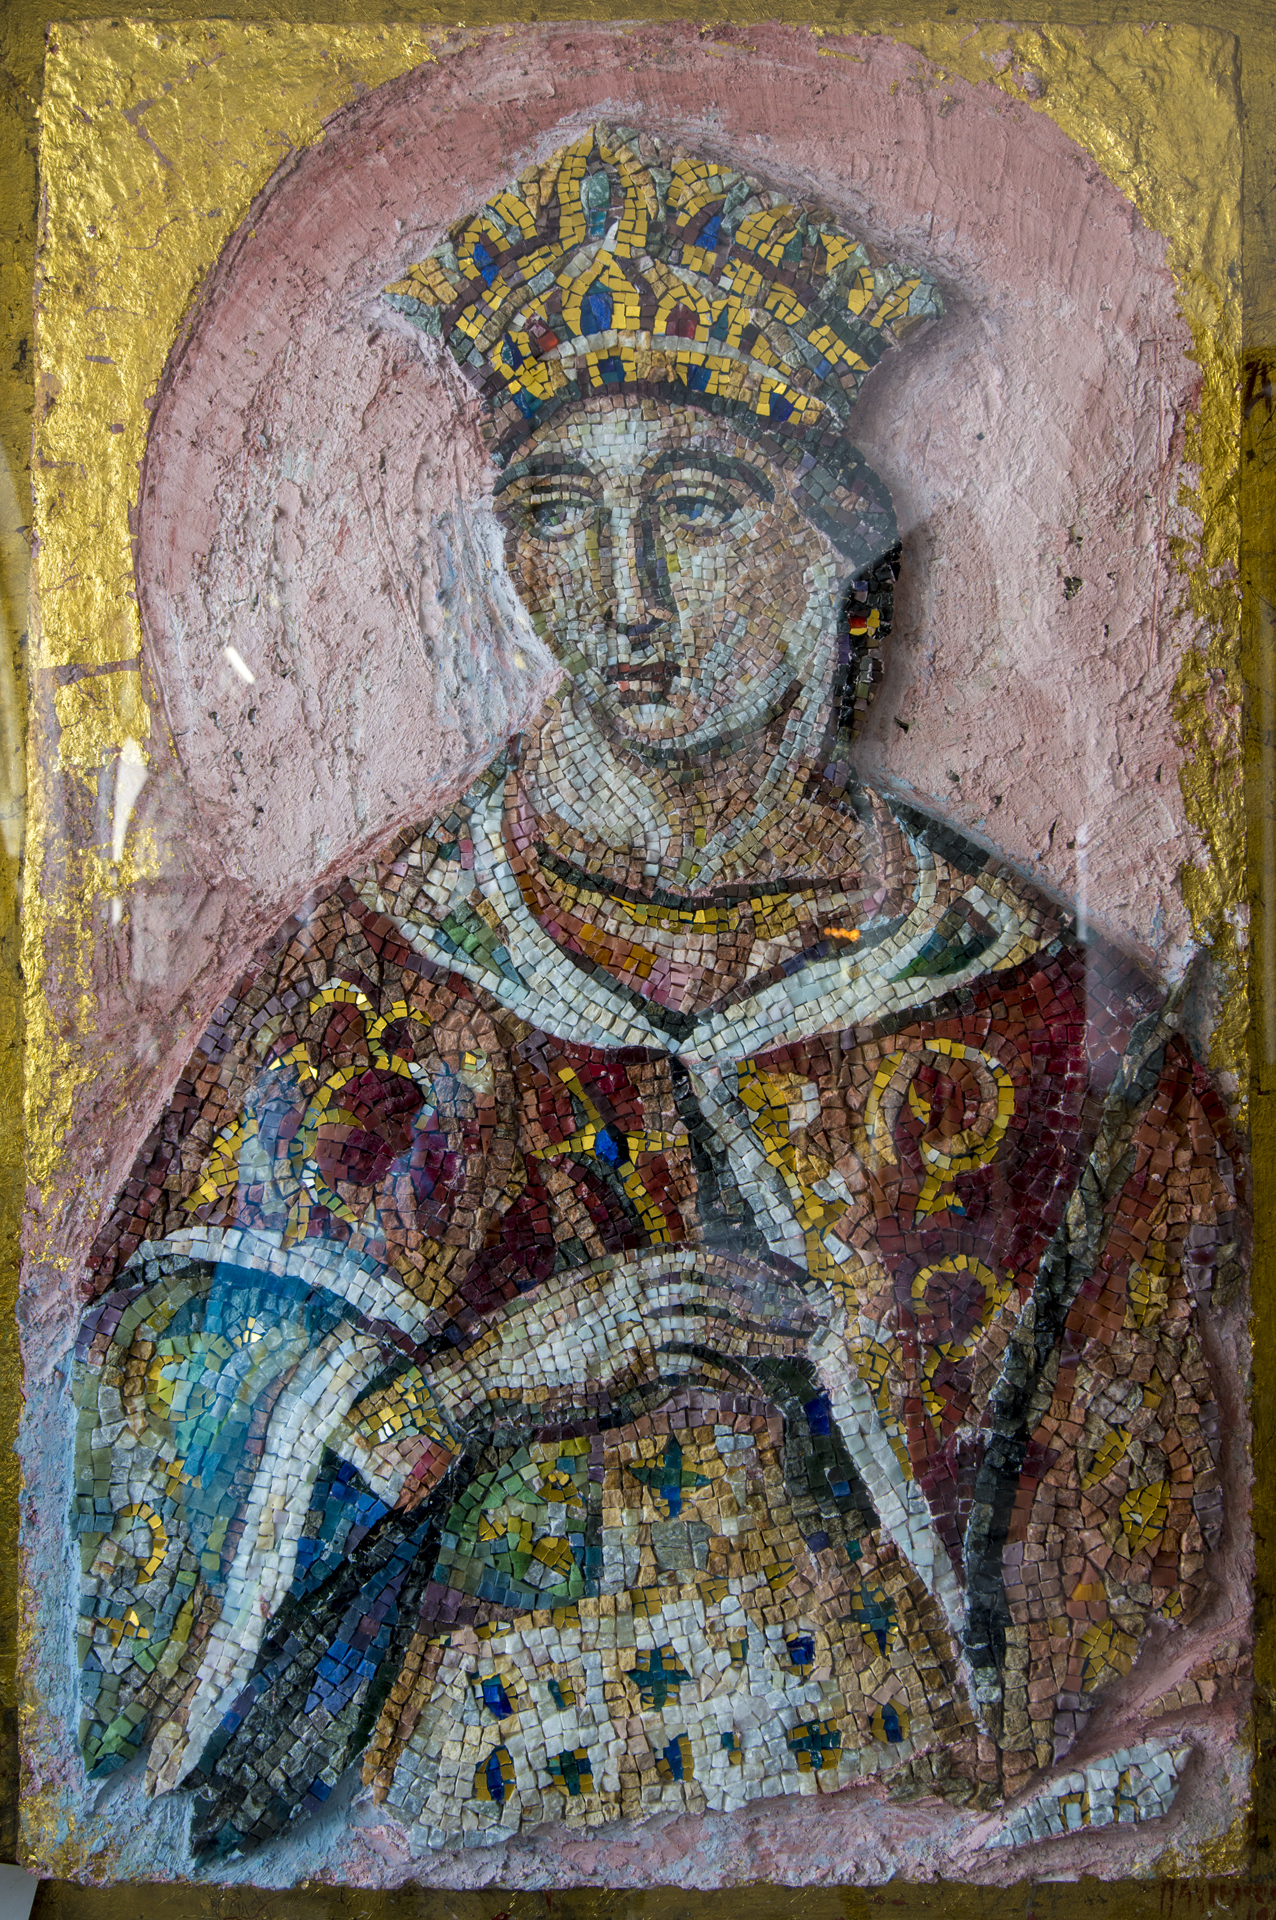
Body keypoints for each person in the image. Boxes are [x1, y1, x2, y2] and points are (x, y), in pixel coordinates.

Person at [72, 125, 1235, 1860]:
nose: (620, 596)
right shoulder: (382, 971)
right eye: (555, 513)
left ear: (834, 545)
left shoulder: (1051, 1016)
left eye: (695, 507)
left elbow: (1149, 1550)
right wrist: (476, 1389)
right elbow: (149, 1447)